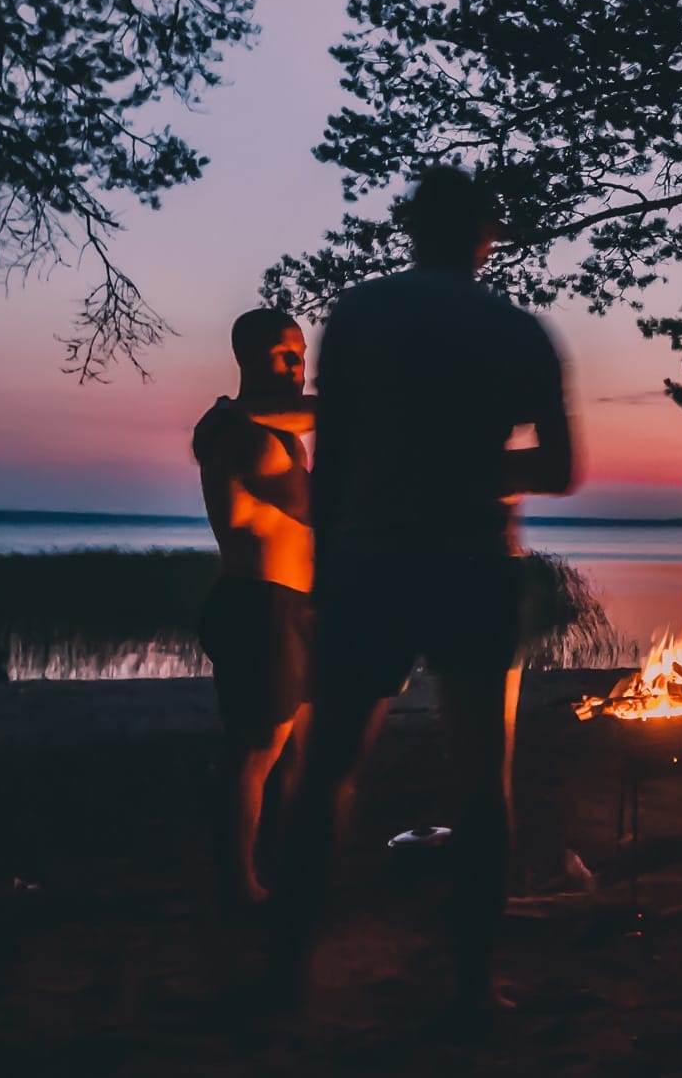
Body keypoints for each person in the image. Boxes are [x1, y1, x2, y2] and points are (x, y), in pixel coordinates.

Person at [271, 166, 576, 1027]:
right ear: (487, 234)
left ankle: (285, 977)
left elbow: (332, 467)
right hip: (471, 562)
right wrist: (473, 467)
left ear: (411, 227)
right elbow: (558, 467)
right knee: (482, 779)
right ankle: (472, 988)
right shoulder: (515, 328)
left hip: (368, 560)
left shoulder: (360, 314)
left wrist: (323, 576)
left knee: (325, 768)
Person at [193, 308, 316, 907]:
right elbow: (314, 508)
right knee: (256, 749)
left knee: (298, 751)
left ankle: (284, 866)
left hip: (293, 605)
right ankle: (238, 884)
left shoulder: (274, 430)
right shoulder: (244, 436)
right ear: (245, 359)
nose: (296, 367)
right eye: (280, 356)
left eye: (300, 355)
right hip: (260, 604)